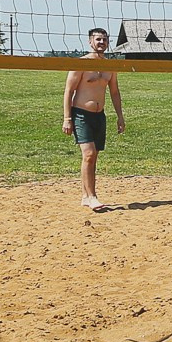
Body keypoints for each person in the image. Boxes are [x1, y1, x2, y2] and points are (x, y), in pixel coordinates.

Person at [64, 27, 125, 212]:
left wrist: (120, 116)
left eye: (104, 40)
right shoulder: (81, 63)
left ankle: (85, 195)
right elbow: (69, 91)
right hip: (81, 114)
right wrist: (67, 118)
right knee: (89, 154)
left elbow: (114, 92)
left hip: (100, 115)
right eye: (98, 39)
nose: (101, 43)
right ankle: (92, 197)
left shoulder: (110, 66)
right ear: (90, 42)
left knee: (93, 157)